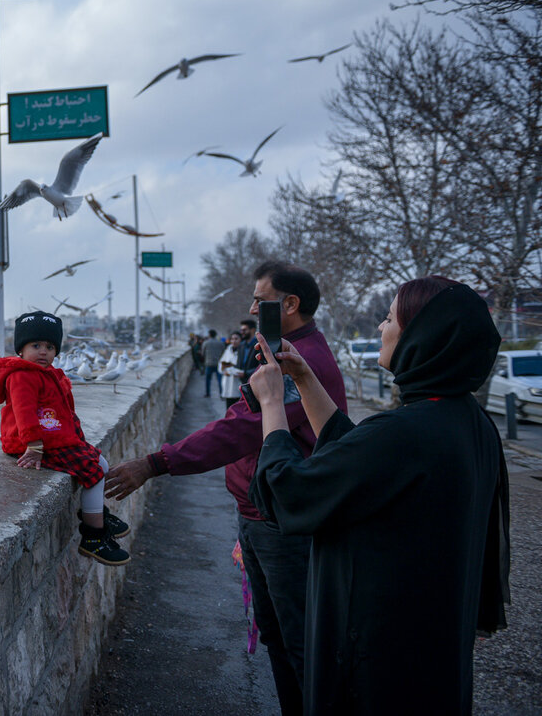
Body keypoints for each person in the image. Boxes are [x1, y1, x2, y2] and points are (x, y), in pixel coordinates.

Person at [249, 277, 510, 714]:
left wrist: (273, 403)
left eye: (389, 318)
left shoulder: (404, 433)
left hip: (374, 658)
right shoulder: (466, 420)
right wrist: (305, 378)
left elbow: (287, 493)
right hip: (428, 649)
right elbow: (357, 457)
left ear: (422, 336)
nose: (381, 329)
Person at [106, 262, 347, 716]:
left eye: (261, 299)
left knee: (300, 643)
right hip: (262, 515)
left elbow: (241, 429)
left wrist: (156, 463)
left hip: (283, 525)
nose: (252, 307)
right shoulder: (282, 350)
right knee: (279, 636)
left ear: (289, 305)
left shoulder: (303, 362)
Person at [0, 311, 130, 566]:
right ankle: (94, 537)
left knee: (102, 464)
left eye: (50, 346)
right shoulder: (22, 375)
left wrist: (76, 437)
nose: (43, 351)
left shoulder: (49, 373)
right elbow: (24, 412)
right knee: (95, 470)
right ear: (21, 349)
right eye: (36, 345)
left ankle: (97, 514)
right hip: (31, 442)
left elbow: (64, 410)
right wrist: (33, 445)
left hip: (54, 438)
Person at [218, 331, 243, 408]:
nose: (234, 341)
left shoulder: (243, 351)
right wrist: (224, 371)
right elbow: (220, 365)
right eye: (232, 339)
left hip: (238, 384)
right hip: (228, 384)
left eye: (236, 339)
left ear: (241, 340)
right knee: (229, 409)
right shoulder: (227, 351)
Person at [202, 329, 226, 397]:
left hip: (208, 363)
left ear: (209, 335)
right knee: (220, 380)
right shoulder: (220, 343)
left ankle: (208, 393)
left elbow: (202, 353)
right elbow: (224, 353)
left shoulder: (206, 343)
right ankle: (222, 393)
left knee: (208, 380)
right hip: (218, 364)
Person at [238, 318, 260, 383]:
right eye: (241, 330)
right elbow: (239, 363)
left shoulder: (259, 345)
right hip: (242, 381)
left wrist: (245, 373)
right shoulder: (241, 345)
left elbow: (261, 366)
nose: (242, 332)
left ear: (253, 330)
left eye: (244, 330)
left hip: (256, 381)